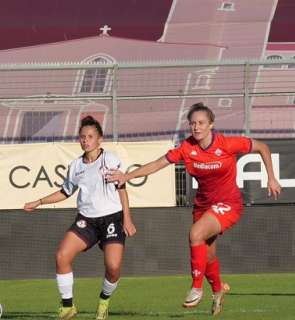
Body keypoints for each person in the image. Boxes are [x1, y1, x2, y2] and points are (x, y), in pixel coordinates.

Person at [108, 102, 281, 316]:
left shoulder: (227, 144)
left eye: (201, 123)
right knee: (207, 256)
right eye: (192, 123)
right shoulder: (186, 148)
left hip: (229, 203)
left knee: (195, 234)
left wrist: (271, 177)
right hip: (203, 206)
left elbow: (262, 147)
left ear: (211, 125)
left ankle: (196, 287)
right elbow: (156, 164)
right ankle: (218, 291)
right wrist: (127, 176)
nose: (196, 127)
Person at [24, 116, 136, 320]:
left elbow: (121, 188)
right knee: (61, 256)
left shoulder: (109, 159)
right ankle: (68, 306)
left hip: (112, 219)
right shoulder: (75, 166)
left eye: (90, 136)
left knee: (113, 267)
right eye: (82, 137)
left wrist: (127, 219)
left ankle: (104, 301)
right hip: (87, 220)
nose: (86, 140)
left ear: (99, 139)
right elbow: (65, 192)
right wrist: (38, 202)